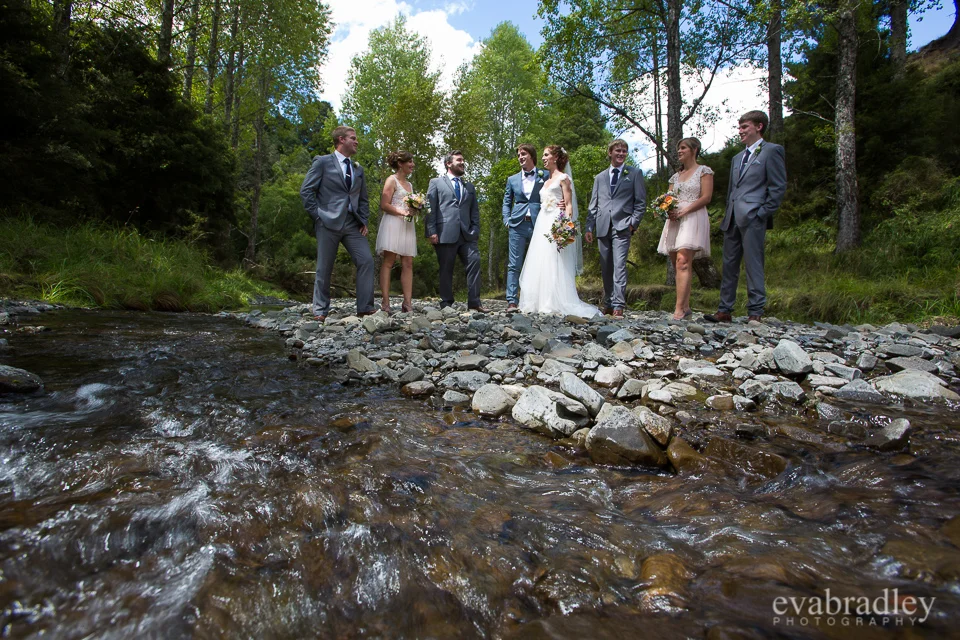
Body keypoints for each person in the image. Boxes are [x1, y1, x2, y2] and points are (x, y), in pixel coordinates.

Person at [705, 110, 787, 323]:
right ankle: (724, 310)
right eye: (739, 127)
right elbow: (733, 189)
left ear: (759, 127)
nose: (740, 131)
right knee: (729, 264)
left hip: (753, 216)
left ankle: (755, 311)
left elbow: (777, 187)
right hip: (732, 217)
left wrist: (762, 213)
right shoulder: (737, 158)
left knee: (753, 264)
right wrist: (727, 214)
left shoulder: (771, 151)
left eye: (744, 127)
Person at [299, 126, 375, 322]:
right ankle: (320, 310)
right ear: (341, 140)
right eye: (353, 138)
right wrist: (318, 216)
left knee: (366, 260)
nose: (357, 141)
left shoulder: (359, 169)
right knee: (324, 266)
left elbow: (363, 198)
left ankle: (365, 307)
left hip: (352, 224)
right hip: (327, 222)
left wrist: (364, 220)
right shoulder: (322, 162)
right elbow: (306, 191)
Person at [518, 145, 598, 318]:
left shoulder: (563, 178)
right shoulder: (545, 180)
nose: (544, 158)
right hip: (542, 222)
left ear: (555, 157)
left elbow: (569, 204)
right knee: (540, 259)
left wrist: (566, 226)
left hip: (556, 220)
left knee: (554, 259)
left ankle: (552, 301)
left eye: (546, 155)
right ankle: (538, 301)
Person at [586, 139, 647, 318]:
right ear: (610, 153)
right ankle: (609, 303)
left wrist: (633, 223)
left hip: (623, 226)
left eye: (624, 151)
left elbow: (641, 202)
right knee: (606, 267)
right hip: (602, 225)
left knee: (619, 265)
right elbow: (593, 205)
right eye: (618, 151)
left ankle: (619, 304)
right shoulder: (599, 177)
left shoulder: (634, 174)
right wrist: (589, 226)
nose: (621, 154)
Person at [657, 137, 714, 320]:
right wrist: (668, 211)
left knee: (683, 260)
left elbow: (706, 197)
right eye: (678, 148)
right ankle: (686, 306)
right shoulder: (675, 176)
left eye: (683, 148)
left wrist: (685, 211)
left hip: (693, 216)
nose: (679, 151)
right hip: (675, 220)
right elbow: (669, 198)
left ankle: (679, 309)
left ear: (694, 149)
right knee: (677, 263)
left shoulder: (704, 171)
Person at [425, 150, 485, 312]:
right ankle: (446, 303)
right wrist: (431, 230)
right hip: (444, 232)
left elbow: (475, 212)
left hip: (467, 235)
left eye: (463, 160)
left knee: (475, 262)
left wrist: (475, 230)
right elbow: (430, 208)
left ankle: (474, 302)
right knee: (446, 268)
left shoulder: (469, 187)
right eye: (459, 160)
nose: (462, 162)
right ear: (448, 163)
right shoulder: (436, 182)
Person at [502, 144, 549, 312]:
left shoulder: (546, 175)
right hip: (517, 225)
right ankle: (512, 301)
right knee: (514, 264)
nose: (520, 157)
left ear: (532, 156)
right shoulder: (512, 179)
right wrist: (507, 219)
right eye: (519, 155)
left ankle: (537, 300)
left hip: (540, 224)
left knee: (540, 263)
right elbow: (507, 201)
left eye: (524, 154)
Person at [376, 150, 418, 314]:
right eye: (410, 162)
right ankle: (385, 302)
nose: (412, 165)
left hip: (407, 225)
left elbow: (409, 205)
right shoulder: (391, 180)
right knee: (389, 262)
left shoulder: (410, 185)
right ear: (400, 164)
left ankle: (407, 302)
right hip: (393, 223)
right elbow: (384, 204)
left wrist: (414, 209)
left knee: (408, 263)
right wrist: (402, 212)